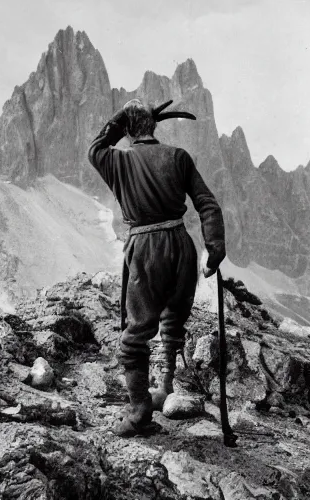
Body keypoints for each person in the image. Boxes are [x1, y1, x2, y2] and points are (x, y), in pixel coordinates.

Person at [88, 100, 225, 437]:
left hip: (146, 249)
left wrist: (119, 121)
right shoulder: (178, 157)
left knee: (135, 336)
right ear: (153, 127)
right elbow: (207, 203)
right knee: (172, 321)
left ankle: (138, 415)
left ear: (128, 129)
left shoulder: (117, 160)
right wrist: (215, 248)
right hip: (181, 246)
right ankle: (164, 388)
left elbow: (95, 148)